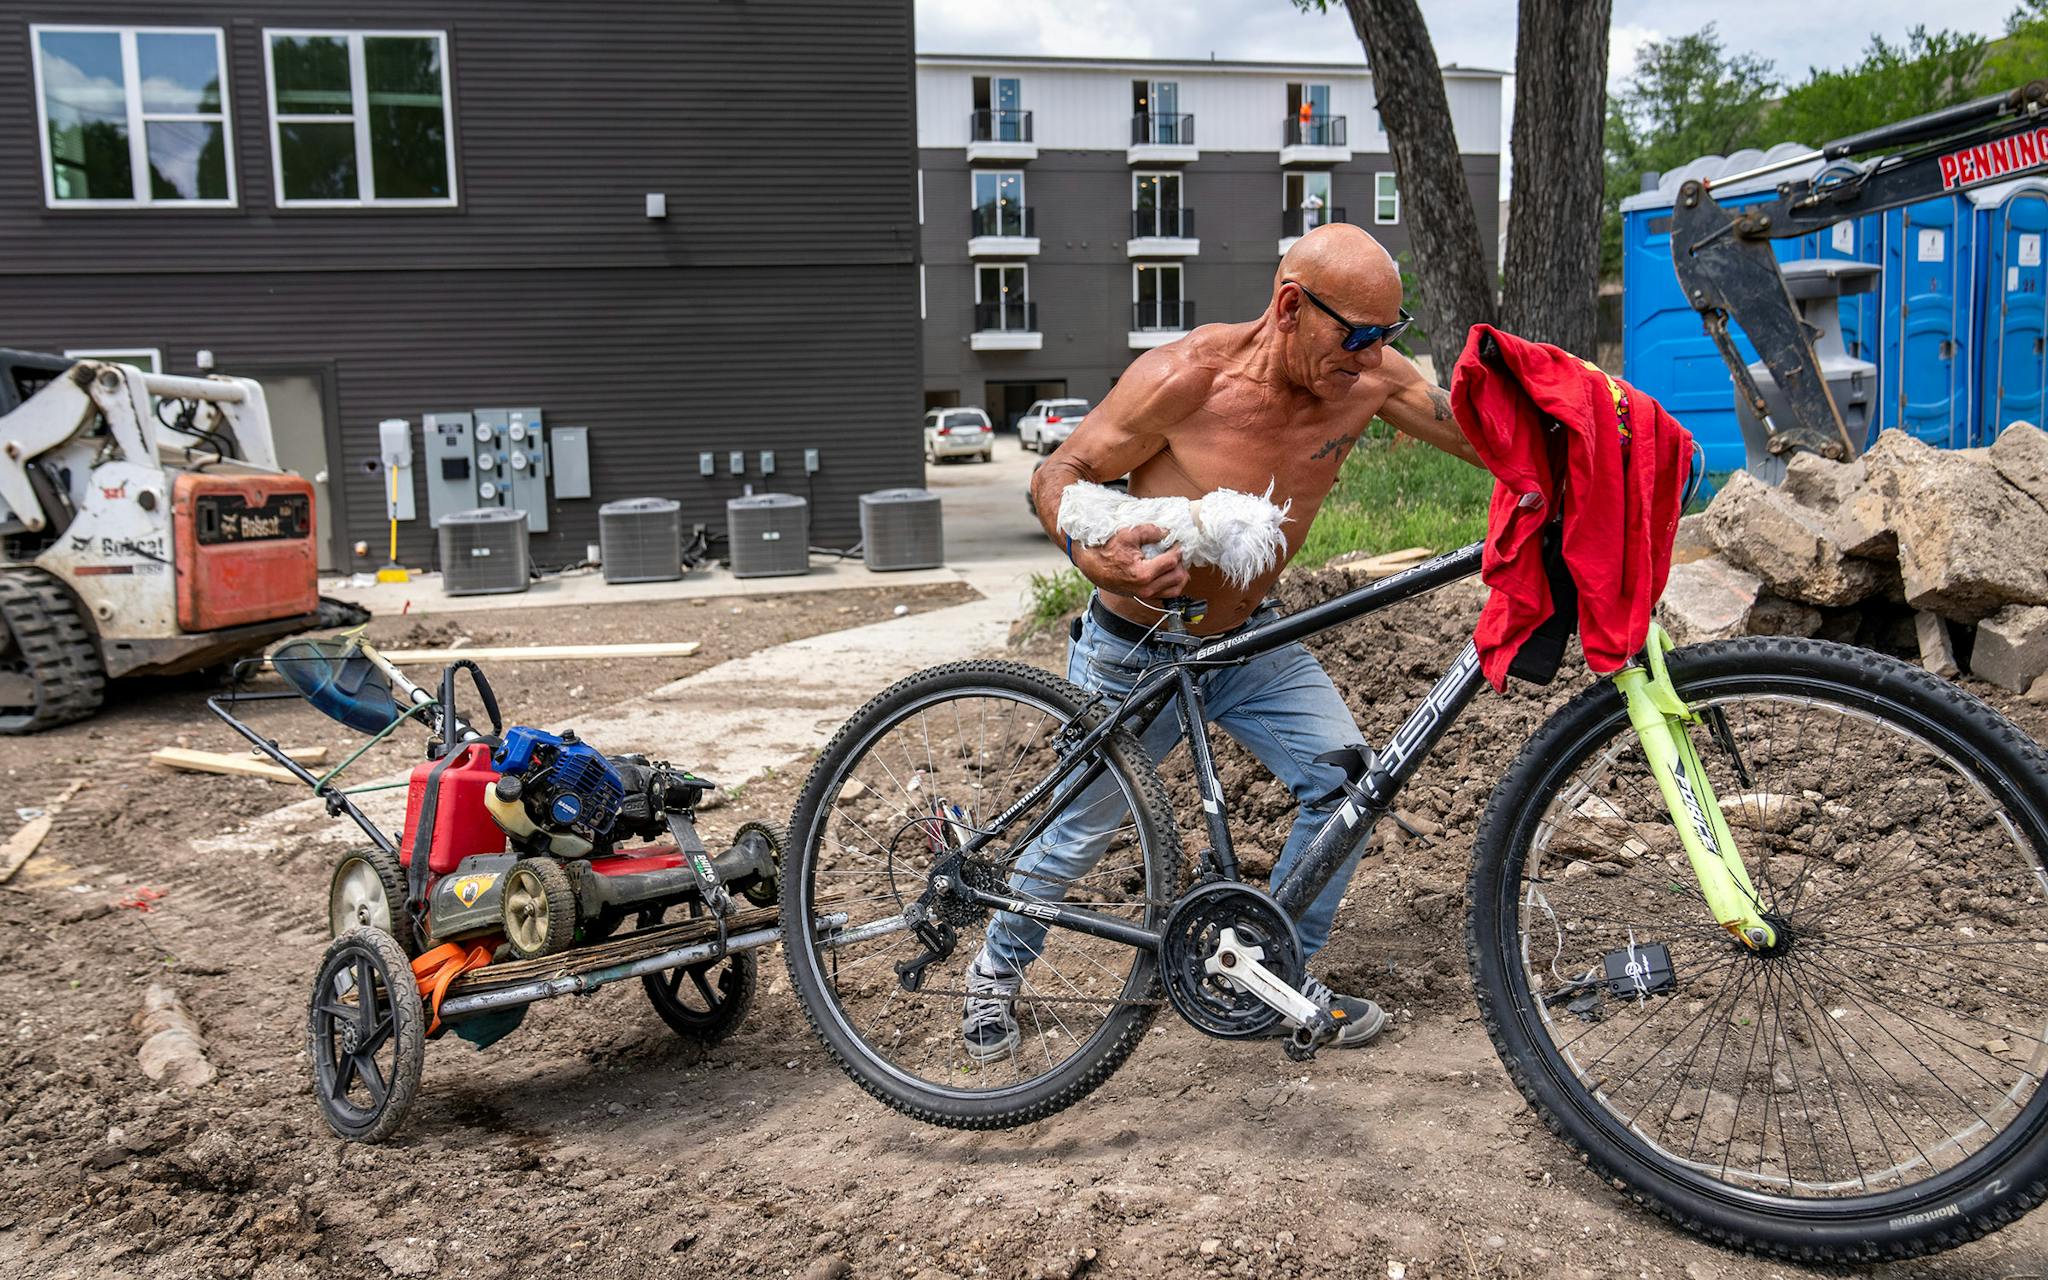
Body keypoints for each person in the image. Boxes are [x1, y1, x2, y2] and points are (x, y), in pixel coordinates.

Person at [964, 222, 1482, 1061]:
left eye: (1389, 335)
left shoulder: (1369, 378)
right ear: (1289, 307)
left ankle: (1270, 975)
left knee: (1349, 783)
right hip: (1136, 649)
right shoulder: (1185, 379)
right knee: (1075, 835)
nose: (1372, 355)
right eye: (1355, 335)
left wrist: (1586, 455)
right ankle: (993, 973)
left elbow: (1483, 441)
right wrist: (1098, 557)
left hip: (1250, 639)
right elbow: (1055, 476)